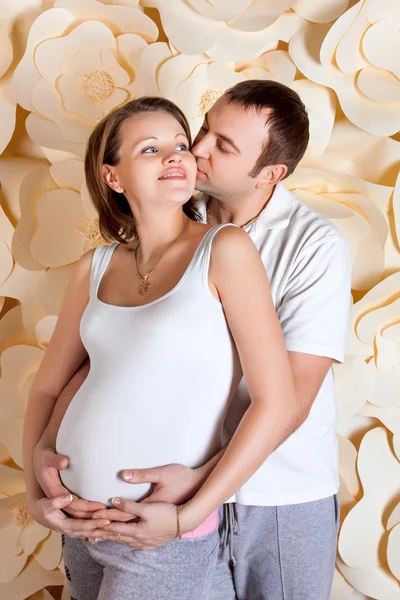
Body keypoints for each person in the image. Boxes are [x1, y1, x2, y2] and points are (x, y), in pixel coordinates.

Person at [32, 81, 352, 600]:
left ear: (269, 174)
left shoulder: (312, 246)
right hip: (162, 493)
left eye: (222, 146)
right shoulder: (175, 211)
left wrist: (197, 490)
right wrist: (47, 449)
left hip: (274, 494)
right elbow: (110, 364)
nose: (196, 150)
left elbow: (288, 400)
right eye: (203, 129)